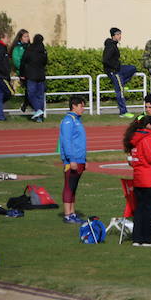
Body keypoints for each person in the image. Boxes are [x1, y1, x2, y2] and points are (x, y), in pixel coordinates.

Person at [124, 114, 151, 247]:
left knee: (140, 209)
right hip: (150, 179)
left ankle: (137, 238)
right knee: (150, 210)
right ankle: (148, 239)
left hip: (139, 179)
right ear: (149, 125)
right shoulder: (147, 138)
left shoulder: (134, 139)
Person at [59, 95, 88, 224]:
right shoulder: (68, 120)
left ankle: (72, 213)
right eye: (82, 106)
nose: (84, 108)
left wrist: (84, 159)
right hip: (72, 160)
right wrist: (71, 159)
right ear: (74, 106)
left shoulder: (77, 120)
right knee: (69, 186)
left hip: (79, 159)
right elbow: (66, 141)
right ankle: (67, 215)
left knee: (74, 187)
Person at [103, 27, 137, 119]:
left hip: (118, 68)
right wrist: (114, 67)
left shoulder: (114, 44)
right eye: (118, 34)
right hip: (113, 71)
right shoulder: (110, 45)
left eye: (120, 34)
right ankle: (123, 112)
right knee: (120, 91)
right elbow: (105, 60)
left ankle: (122, 83)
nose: (120, 36)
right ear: (113, 36)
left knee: (132, 68)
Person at [20, 33, 47, 122]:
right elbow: (45, 62)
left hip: (31, 76)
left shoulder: (29, 49)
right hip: (41, 76)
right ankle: (40, 117)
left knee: (31, 94)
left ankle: (38, 110)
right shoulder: (43, 50)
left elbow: (23, 62)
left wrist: (22, 74)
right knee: (40, 96)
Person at [10, 29, 31, 113]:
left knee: (31, 90)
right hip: (23, 73)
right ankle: (26, 104)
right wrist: (25, 68)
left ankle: (27, 105)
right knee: (29, 89)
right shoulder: (17, 49)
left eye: (28, 36)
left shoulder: (30, 47)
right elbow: (16, 61)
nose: (27, 38)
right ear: (20, 38)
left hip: (32, 72)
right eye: (25, 36)